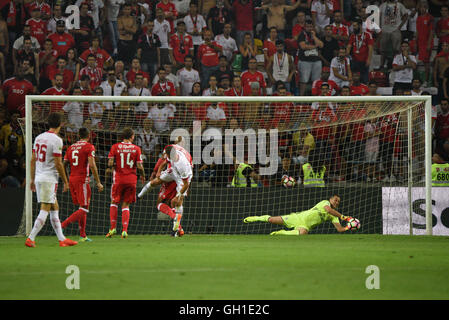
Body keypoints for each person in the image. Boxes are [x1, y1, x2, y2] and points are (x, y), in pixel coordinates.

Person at [26, 112, 77, 248]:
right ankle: (31, 238)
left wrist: (32, 179)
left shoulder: (39, 137)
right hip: (49, 178)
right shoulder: (56, 140)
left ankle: (62, 239)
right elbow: (58, 163)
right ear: (61, 124)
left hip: (39, 176)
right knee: (45, 209)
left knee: (55, 207)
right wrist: (65, 181)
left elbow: (32, 160)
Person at [137, 139, 193, 236]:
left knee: (178, 202)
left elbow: (186, 184)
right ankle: (139, 196)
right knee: (155, 181)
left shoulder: (183, 165)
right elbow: (164, 163)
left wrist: (178, 195)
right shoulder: (171, 154)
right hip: (173, 170)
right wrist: (159, 171)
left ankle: (176, 229)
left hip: (183, 179)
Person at [62, 127, 103, 242]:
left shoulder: (71, 148)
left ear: (79, 135)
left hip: (72, 179)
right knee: (84, 208)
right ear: (88, 136)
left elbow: (63, 164)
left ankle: (83, 235)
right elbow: (92, 165)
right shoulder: (89, 146)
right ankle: (62, 225)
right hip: (82, 180)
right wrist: (98, 182)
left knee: (82, 207)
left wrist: (65, 181)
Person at [243, 195, 356, 235]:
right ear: (330, 199)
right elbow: (328, 210)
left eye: (338, 202)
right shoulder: (325, 203)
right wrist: (345, 217)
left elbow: (340, 229)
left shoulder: (334, 216)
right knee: (272, 220)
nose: (336, 202)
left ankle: (282, 233)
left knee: (303, 233)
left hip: (305, 225)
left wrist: (348, 227)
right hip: (297, 217)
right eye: (335, 200)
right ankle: (255, 218)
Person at [106, 127, 146, 238]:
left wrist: (114, 165)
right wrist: (143, 175)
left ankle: (113, 228)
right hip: (131, 180)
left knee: (114, 202)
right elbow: (139, 166)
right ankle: (124, 230)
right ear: (132, 136)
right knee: (126, 205)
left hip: (118, 179)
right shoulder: (136, 148)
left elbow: (110, 163)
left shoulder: (115, 147)